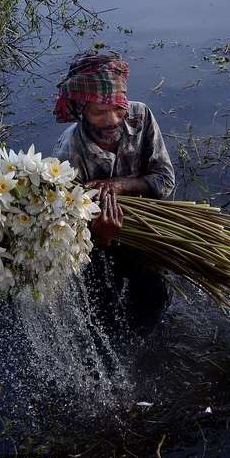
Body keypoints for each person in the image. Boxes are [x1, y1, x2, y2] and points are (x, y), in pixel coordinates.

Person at [52, 51, 175, 340]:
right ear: (80, 110)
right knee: (101, 315)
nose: (112, 120)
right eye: (98, 112)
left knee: (155, 299)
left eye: (118, 107)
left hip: (145, 228)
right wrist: (103, 238)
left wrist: (120, 185)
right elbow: (69, 233)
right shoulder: (67, 154)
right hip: (96, 243)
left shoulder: (141, 116)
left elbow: (166, 180)